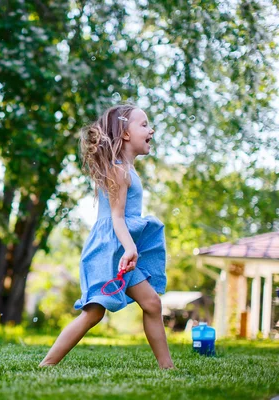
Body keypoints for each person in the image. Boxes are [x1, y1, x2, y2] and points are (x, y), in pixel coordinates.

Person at [38, 104, 175, 369]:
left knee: (152, 303)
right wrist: (129, 247)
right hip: (109, 250)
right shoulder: (119, 170)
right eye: (144, 124)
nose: (151, 130)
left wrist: (129, 248)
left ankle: (167, 367)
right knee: (93, 313)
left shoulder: (127, 169)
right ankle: (47, 364)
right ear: (125, 133)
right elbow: (116, 217)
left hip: (121, 249)